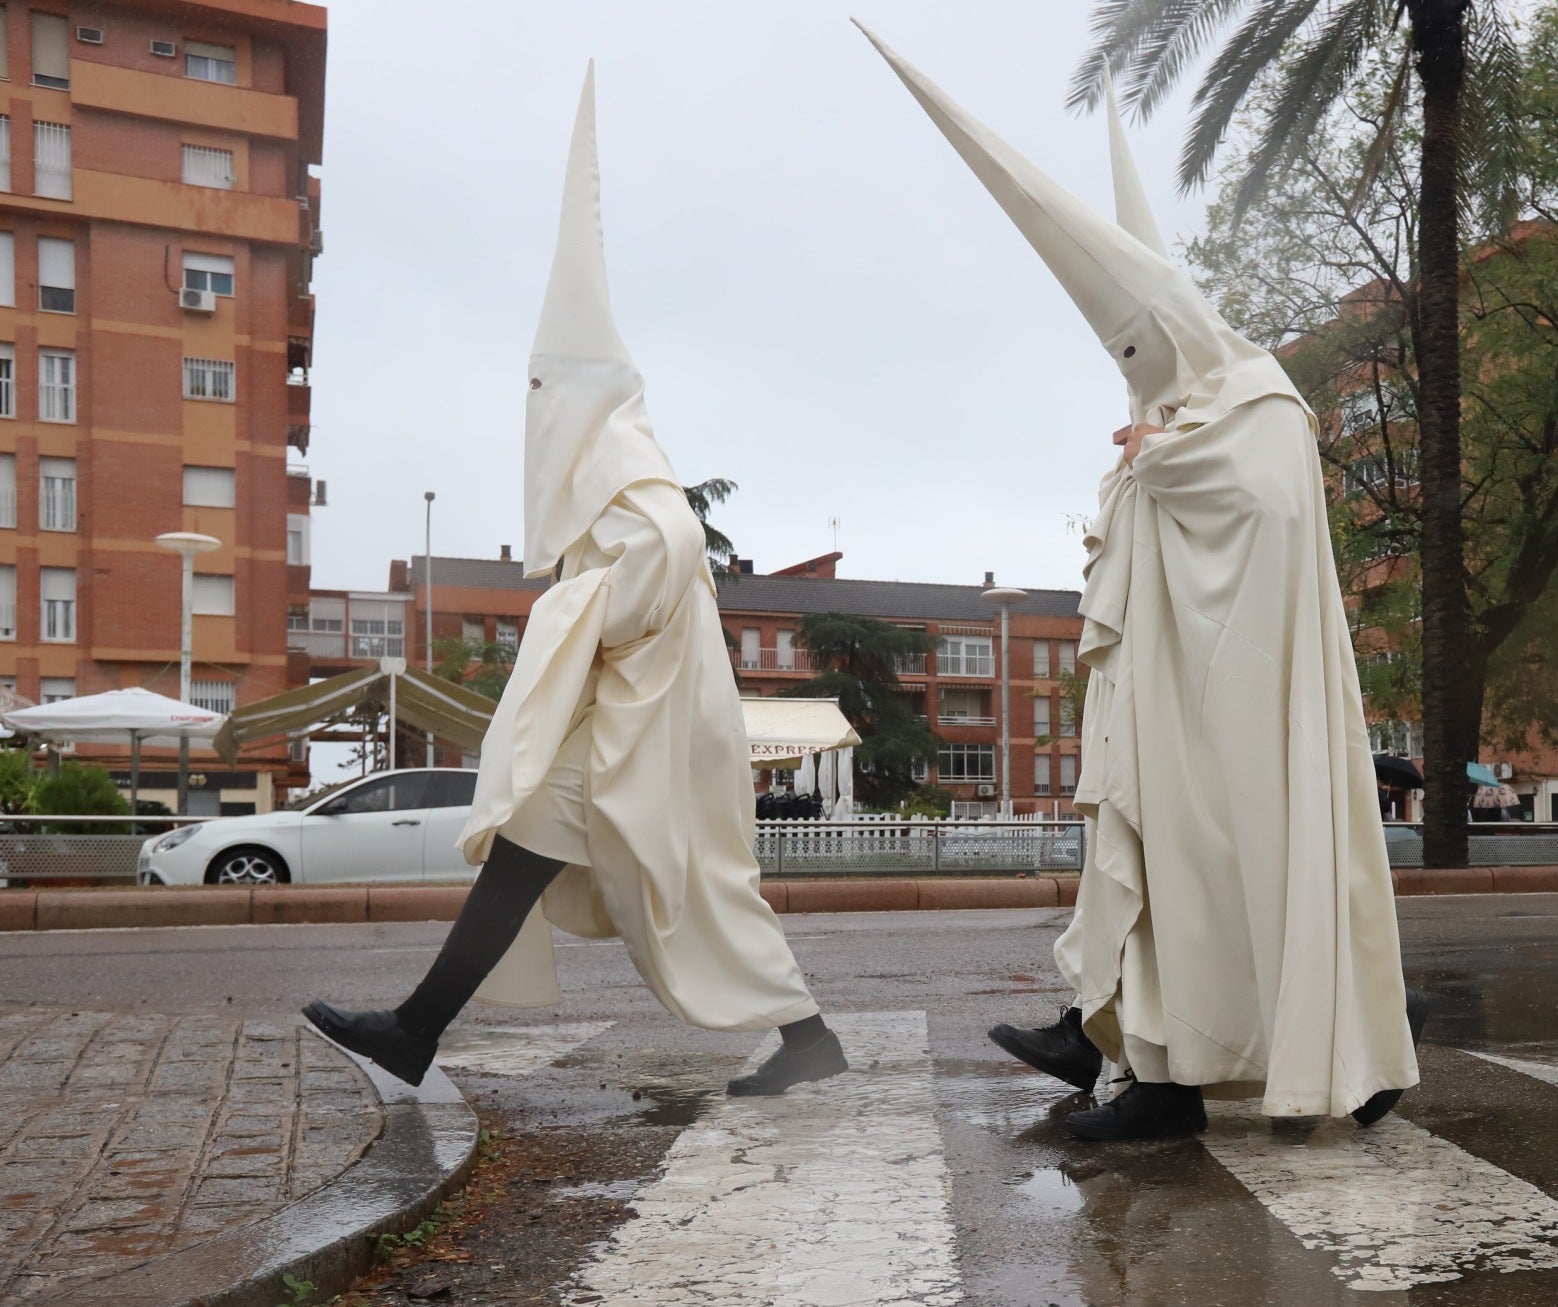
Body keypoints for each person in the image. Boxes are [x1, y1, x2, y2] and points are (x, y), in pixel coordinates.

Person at [864, 33, 1424, 1140]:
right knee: (1162, 863)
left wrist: (1158, 462)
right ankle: (1145, 1064)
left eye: (1140, 349)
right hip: (1176, 706)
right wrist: (1153, 461)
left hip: (1237, 709)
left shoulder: (1259, 405)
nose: (1139, 377)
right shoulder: (1190, 417)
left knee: (1234, 870)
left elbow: (1256, 516)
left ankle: (1262, 1062)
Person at [303, 70, 843, 1100]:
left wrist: (570, 614)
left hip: (636, 733)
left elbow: (664, 552)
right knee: (557, 864)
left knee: (684, 893)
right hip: (623, 729)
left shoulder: (619, 454)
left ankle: (418, 1029)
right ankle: (417, 1028)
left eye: (544, 387)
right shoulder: (617, 455)